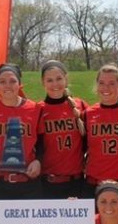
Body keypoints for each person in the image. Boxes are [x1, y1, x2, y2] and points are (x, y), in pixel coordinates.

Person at [83, 65, 118, 215]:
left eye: (112, 83)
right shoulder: (88, 114)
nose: (105, 87)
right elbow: (81, 147)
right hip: (94, 184)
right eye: (101, 83)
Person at [0, 64, 42, 200]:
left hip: (29, 184)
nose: (7, 86)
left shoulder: (35, 109)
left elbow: (43, 142)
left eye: (12, 81)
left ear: (20, 84)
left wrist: (39, 161)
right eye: (2, 82)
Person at [37, 60, 87, 199]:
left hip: (76, 182)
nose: (55, 84)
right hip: (48, 183)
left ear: (66, 79)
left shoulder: (80, 105)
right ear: (43, 83)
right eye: (50, 80)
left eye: (59, 79)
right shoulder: (38, 110)